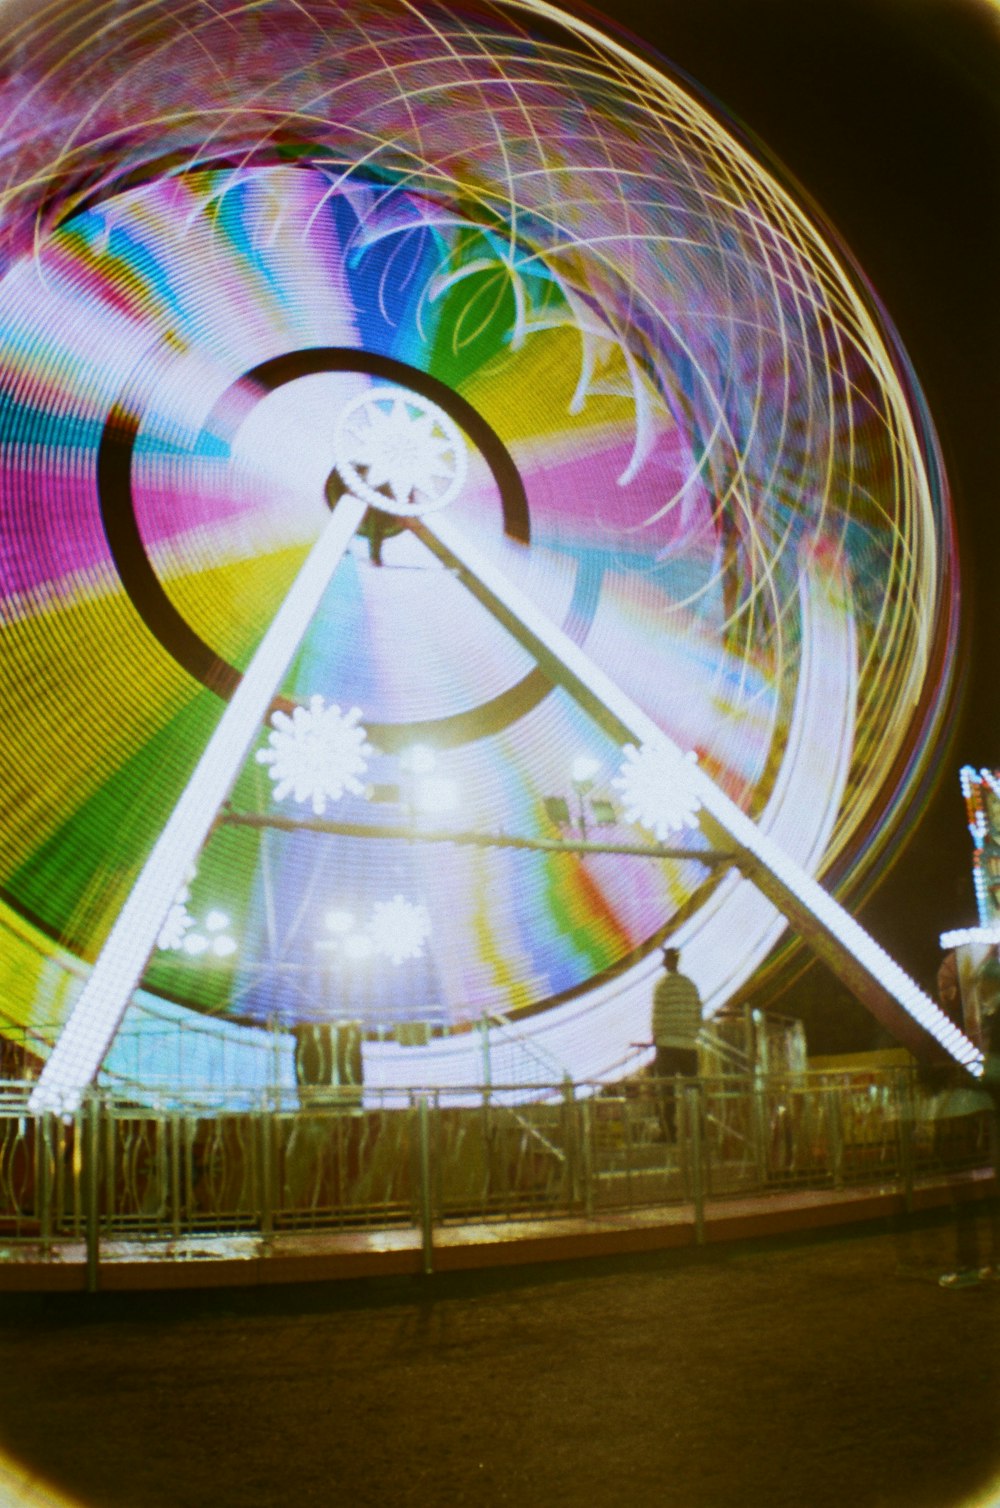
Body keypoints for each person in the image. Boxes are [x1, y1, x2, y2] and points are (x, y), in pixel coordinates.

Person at [651, 946, 703, 1140]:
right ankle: (699, 1131)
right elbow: (698, 1011)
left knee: (666, 1090)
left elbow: (657, 1015)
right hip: (689, 1044)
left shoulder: (661, 985)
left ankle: (668, 1131)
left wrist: (656, 1036)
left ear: (668, 962)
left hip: (667, 1044)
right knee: (693, 1089)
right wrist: (693, 1032)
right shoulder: (690, 985)